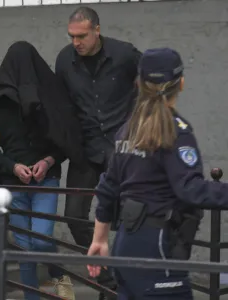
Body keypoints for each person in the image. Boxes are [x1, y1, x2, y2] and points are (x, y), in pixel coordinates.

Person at [87, 47, 228, 299]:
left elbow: (108, 186)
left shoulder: (127, 130)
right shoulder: (176, 131)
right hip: (158, 246)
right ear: (181, 83)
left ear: (139, 83)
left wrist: (99, 239)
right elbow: (191, 189)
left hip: (125, 243)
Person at [0, 41, 83, 300]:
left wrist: (47, 162)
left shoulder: (51, 101)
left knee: (40, 239)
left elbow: (65, 143)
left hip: (45, 181)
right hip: (12, 185)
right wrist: (13, 167)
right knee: (24, 249)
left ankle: (58, 274)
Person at [55, 6, 141, 251]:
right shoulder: (64, 60)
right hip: (86, 149)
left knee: (130, 217)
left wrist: (138, 118)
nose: (76, 42)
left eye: (81, 36)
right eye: (71, 36)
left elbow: (153, 80)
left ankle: (128, 277)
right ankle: (107, 278)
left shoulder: (124, 53)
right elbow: (60, 103)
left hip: (122, 146)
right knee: (73, 216)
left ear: (97, 30)